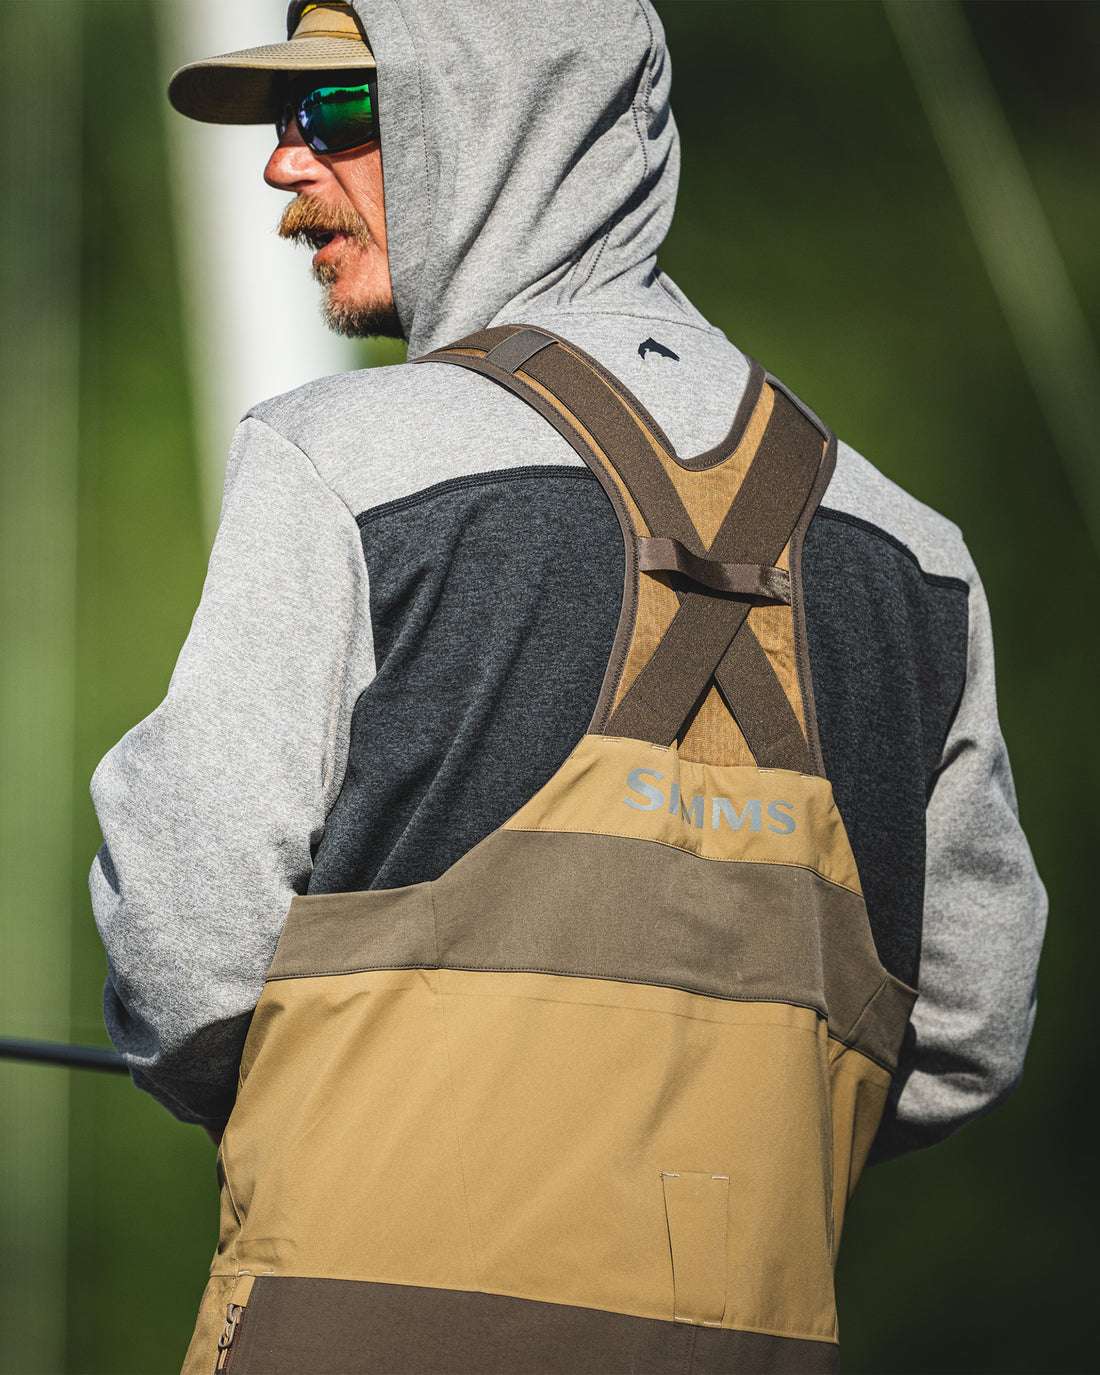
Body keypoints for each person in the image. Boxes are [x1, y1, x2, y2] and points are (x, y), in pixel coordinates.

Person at [88, 1, 1047, 1369]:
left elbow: (187, 948)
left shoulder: (335, 459)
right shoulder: (921, 557)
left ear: (504, 107)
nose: (283, 163)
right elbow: (966, 1030)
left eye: (339, 110)